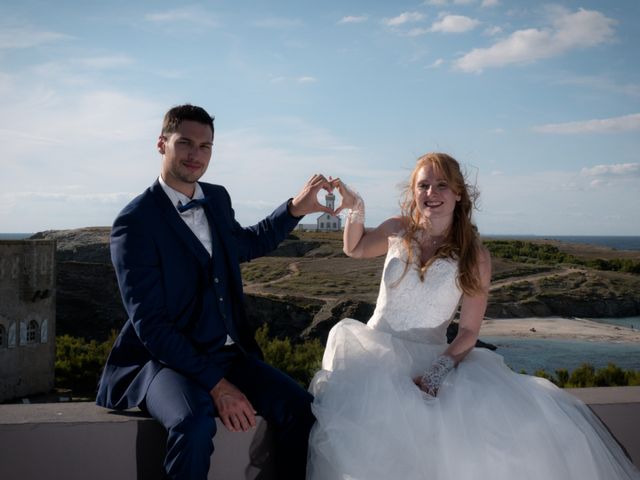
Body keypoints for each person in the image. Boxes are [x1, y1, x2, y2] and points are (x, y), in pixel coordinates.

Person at [307, 152, 640, 480]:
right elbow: (355, 248)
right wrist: (356, 206)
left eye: (441, 186)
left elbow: (468, 331)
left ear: (458, 193)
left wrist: (434, 376)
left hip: (430, 365)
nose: (431, 194)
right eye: (423, 186)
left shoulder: (475, 256)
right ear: (413, 192)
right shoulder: (398, 229)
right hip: (373, 362)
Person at [96, 104, 329, 479]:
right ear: (162, 144)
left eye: (205, 146)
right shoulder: (134, 222)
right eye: (185, 143)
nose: (196, 154)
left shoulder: (216, 198)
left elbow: (245, 244)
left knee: (303, 410)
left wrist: (294, 209)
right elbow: (151, 327)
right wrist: (219, 387)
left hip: (228, 353)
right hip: (163, 362)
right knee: (193, 423)